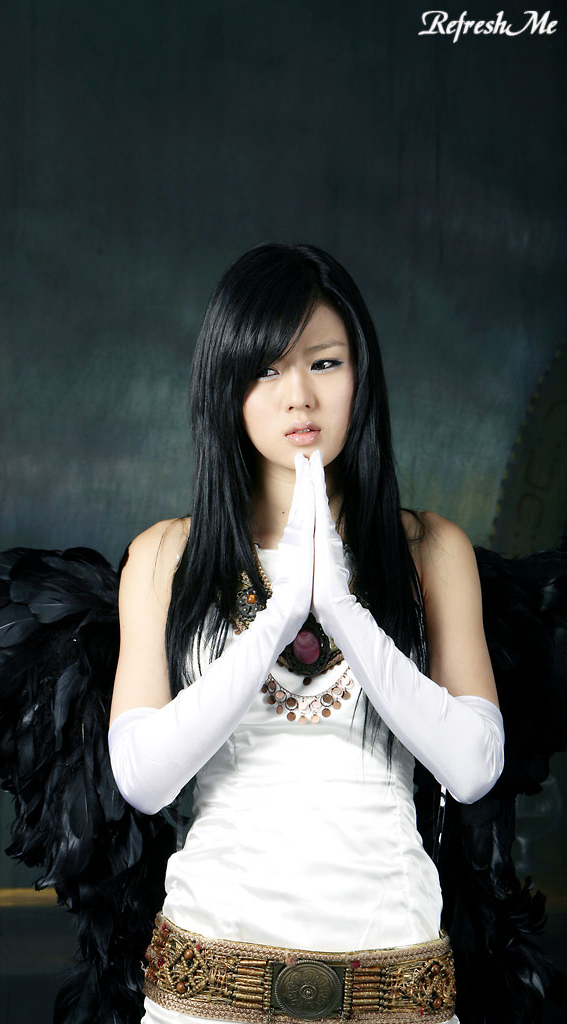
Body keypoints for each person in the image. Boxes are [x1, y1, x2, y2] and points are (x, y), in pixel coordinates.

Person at [107, 242, 505, 1024]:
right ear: (225, 385)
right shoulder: (164, 556)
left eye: (324, 363)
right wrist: (281, 614)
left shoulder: (431, 549)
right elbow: (143, 779)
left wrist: (343, 609)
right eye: (266, 369)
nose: (299, 396)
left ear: (361, 376)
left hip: (395, 985)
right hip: (207, 990)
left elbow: (472, 769)